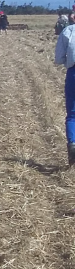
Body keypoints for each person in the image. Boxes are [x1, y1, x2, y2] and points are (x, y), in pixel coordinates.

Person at [56, 23, 75, 166]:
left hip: (73, 73)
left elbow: (59, 57)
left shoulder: (69, 30)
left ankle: (73, 145)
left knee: (72, 114)